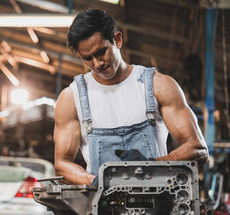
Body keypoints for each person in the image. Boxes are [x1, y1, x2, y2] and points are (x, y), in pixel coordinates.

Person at [54, 9, 208, 185]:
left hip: (158, 204)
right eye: (87, 58)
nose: (97, 64)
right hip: (102, 207)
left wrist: (152, 165)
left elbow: (198, 148)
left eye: (101, 52)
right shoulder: (71, 98)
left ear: (117, 40)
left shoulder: (158, 86)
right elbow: (62, 164)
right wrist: (94, 181)